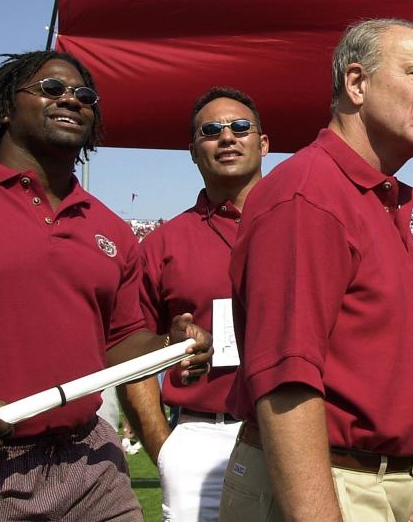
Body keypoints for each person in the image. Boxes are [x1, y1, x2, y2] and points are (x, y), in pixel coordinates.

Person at [0, 51, 213, 521]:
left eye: (85, 95)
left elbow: (118, 343)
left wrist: (169, 346)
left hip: (89, 462)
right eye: (51, 89)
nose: (72, 100)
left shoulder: (111, 229)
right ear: (4, 109)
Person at [220, 19, 413, 522]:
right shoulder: (310, 194)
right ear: (356, 83)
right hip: (329, 483)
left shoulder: (378, 200)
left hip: (383, 480)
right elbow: (286, 382)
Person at [118, 87, 269, 521]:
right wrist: (164, 446)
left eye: (240, 127)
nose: (227, 137)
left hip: (298, 426)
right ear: (192, 150)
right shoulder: (162, 244)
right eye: (211, 130)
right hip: (201, 434)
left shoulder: (304, 222)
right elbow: (131, 354)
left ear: (262, 143)